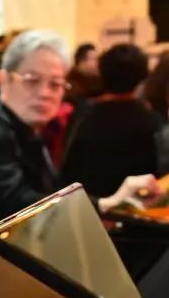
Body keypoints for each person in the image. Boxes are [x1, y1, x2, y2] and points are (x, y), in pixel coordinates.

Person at [0, 30, 160, 238]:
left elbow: (53, 198)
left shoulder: (32, 134)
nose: (44, 93)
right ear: (4, 80)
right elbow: (20, 210)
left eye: (55, 84)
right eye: (32, 80)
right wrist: (107, 204)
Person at [61, 43, 166, 198]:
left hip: (86, 204)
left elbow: (68, 167)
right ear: (143, 76)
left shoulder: (81, 116)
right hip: (138, 206)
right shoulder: (154, 122)